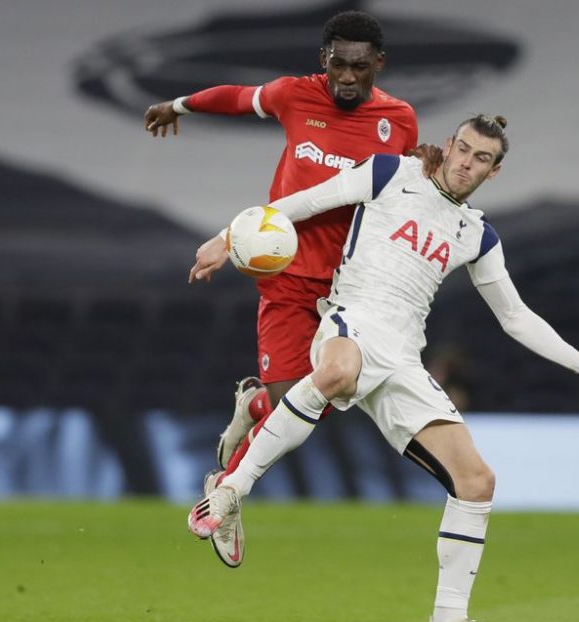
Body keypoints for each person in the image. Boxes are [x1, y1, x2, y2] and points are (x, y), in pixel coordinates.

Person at [189, 114, 579, 622]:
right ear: (450, 145)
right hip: (350, 319)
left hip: (404, 358)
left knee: (477, 482)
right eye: (464, 149)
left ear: (494, 172)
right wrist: (226, 237)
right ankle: (228, 492)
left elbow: (515, 316)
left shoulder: (478, 234)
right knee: (335, 374)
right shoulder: (389, 173)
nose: (466, 163)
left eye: (482, 159)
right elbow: (303, 204)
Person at [145, 10, 435, 568]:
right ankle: (244, 447)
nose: (347, 78)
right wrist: (178, 105)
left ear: (378, 64)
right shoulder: (294, 96)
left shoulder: (399, 119)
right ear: (322, 61)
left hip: (354, 284)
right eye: (338, 66)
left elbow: (395, 191)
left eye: (359, 67)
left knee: (323, 399)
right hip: (286, 275)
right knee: (293, 405)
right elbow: (235, 97)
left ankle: (230, 468)